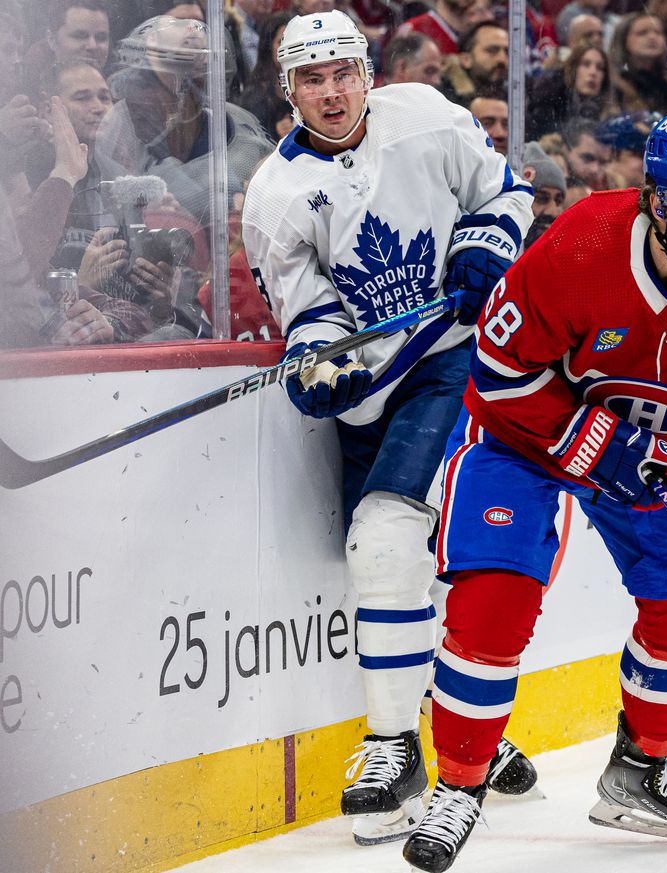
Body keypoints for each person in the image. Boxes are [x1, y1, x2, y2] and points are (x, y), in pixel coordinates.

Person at [403, 113, 667, 872]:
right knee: (495, 598)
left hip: (657, 457)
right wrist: (590, 441)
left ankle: (640, 771)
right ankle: (458, 784)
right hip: (527, 442)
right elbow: (498, 371)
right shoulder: (584, 242)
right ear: (659, 201)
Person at [240, 10, 537, 849]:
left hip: (454, 356)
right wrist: (321, 362)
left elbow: (507, 190)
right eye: (310, 79)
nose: (330, 93)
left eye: (342, 73)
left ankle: (392, 747)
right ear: (287, 88)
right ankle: (454, 721)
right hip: (377, 387)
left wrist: (485, 241)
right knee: (395, 562)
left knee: (386, 534)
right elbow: (308, 313)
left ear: (367, 72)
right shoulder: (275, 194)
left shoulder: (431, 118)